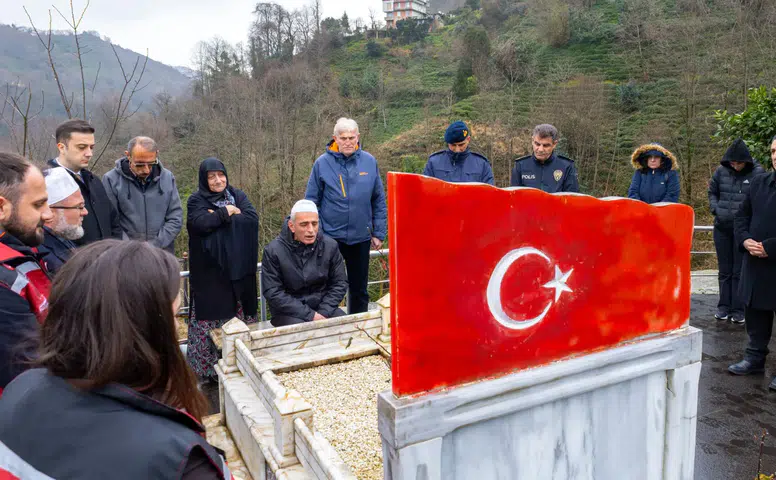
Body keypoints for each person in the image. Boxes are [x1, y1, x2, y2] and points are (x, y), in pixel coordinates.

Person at [0, 240, 231, 479]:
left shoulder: (20, 390)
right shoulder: (178, 460)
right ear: (140, 330)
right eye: (173, 316)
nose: (176, 328)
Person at [305, 118, 387, 314]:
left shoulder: (369, 161)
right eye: (343, 138)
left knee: (359, 288)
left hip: (360, 237)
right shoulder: (322, 164)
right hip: (330, 238)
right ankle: (326, 327)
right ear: (335, 138)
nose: (348, 142)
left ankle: (358, 327)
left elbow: (378, 200)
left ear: (358, 137)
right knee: (326, 287)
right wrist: (319, 234)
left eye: (352, 137)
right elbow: (311, 202)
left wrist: (378, 233)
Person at [187, 157, 259, 382]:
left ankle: (241, 365)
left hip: (237, 273)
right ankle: (209, 374)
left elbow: (251, 221)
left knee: (236, 322)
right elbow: (199, 225)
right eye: (212, 176)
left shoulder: (238, 195)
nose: (218, 180)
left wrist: (216, 220)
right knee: (211, 324)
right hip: (210, 276)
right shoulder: (196, 200)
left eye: (221, 175)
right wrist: (226, 212)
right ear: (204, 179)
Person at [0, 153, 54, 396]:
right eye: (38, 204)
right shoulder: (4, 283)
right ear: (2, 207)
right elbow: (30, 380)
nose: (48, 214)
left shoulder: (21, 251)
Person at [728, 135, 776, 389]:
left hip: (772, 259)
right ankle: (754, 359)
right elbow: (741, 216)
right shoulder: (759, 182)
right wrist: (745, 240)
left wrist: (770, 247)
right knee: (755, 314)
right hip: (756, 263)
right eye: (773, 151)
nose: (775, 155)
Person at [262, 200, 348, 327]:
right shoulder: (273, 251)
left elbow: (340, 283)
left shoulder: (330, 246)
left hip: (323, 307)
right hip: (289, 313)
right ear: (291, 226)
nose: (311, 230)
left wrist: (323, 311)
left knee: (345, 326)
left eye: (314, 224)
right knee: (301, 331)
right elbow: (273, 292)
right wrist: (310, 315)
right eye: (304, 225)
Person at [708, 139, 765, 324]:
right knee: (724, 271)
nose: (736, 166)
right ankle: (723, 306)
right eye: (733, 163)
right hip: (722, 228)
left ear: (746, 161)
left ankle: (739, 309)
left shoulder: (758, 173)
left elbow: (761, 198)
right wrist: (716, 209)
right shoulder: (720, 171)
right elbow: (712, 192)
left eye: (739, 163)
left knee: (739, 271)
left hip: (743, 231)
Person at [102, 136, 183, 253]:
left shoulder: (167, 177)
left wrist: (154, 246)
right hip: (126, 254)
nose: (146, 170)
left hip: (162, 253)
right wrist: (132, 249)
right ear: (128, 155)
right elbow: (111, 221)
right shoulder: (111, 179)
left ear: (156, 154)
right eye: (140, 164)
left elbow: (175, 218)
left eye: (151, 163)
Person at [47, 119, 121, 245]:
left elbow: (113, 221)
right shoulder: (46, 183)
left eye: (91, 147)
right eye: (82, 147)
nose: (89, 153)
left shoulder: (94, 181)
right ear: (62, 147)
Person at [38, 167, 88, 275]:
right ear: (50, 211)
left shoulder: (60, 234)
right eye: (79, 206)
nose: (85, 212)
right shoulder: (41, 255)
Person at [510, 124, 579, 193]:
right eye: (537, 144)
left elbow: (572, 199)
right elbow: (513, 197)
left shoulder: (566, 166)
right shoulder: (521, 165)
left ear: (554, 144)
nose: (540, 149)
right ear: (532, 140)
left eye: (546, 145)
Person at [423, 121, 494, 185]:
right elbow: (425, 191)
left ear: (468, 139)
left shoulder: (482, 164)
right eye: (453, 145)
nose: (457, 149)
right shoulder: (433, 162)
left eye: (461, 145)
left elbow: (489, 195)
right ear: (448, 143)